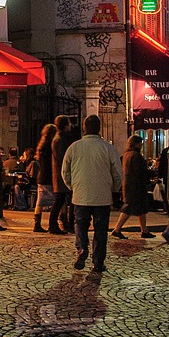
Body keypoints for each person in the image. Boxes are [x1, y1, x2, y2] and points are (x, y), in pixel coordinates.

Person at [61, 114, 123, 275]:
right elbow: (118, 172)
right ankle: (98, 262)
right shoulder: (108, 148)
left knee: (80, 224)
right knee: (100, 230)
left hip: (81, 194)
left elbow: (65, 172)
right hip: (102, 195)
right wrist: (114, 189)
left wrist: (73, 186)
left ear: (84, 127)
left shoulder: (74, 147)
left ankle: (82, 247)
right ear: (99, 128)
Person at [112, 135, 155, 239]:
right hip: (136, 186)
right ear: (136, 143)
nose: (141, 145)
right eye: (140, 143)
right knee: (129, 208)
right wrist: (151, 174)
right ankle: (117, 229)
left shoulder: (126, 155)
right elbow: (140, 172)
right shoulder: (136, 156)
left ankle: (144, 230)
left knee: (141, 209)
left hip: (129, 185)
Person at [49, 115, 74, 235]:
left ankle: (63, 223)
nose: (71, 126)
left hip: (61, 174)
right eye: (69, 123)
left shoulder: (61, 138)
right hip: (60, 174)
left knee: (61, 200)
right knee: (59, 200)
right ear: (64, 125)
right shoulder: (59, 139)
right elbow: (61, 158)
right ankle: (53, 225)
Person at [32, 122, 57, 233]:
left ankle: (37, 224)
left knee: (40, 202)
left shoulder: (41, 147)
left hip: (41, 176)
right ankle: (57, 222)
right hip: (48, 177)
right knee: (58, 200)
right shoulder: (50, 146)